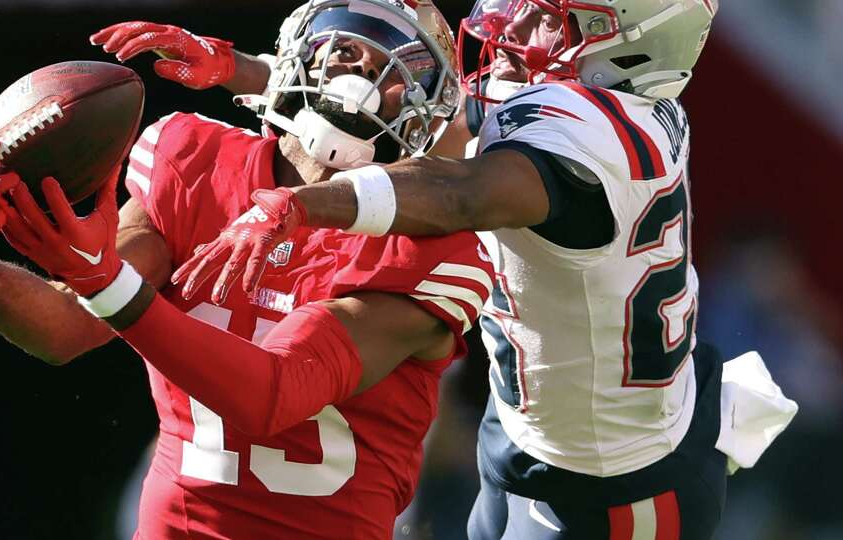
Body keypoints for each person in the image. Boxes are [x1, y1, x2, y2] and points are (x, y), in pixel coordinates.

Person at [172, 1, 784, 538]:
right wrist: (247, 72)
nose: (515, 24)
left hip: (610, 479)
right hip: (530, 428)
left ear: (625, 45)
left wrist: (301, 206)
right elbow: (414, 114)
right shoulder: (583, 103)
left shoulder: (596, 137)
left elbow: (458, 191)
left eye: (548, 19)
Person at [0, 1, 497, 538]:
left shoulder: (430, 249)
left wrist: (107, 285)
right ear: (300, 49)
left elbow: (271, 394)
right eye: (351, 46)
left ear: (429, 111)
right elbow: (67, 327)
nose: (364, 72)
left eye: (397, 64)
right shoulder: (194, 161)